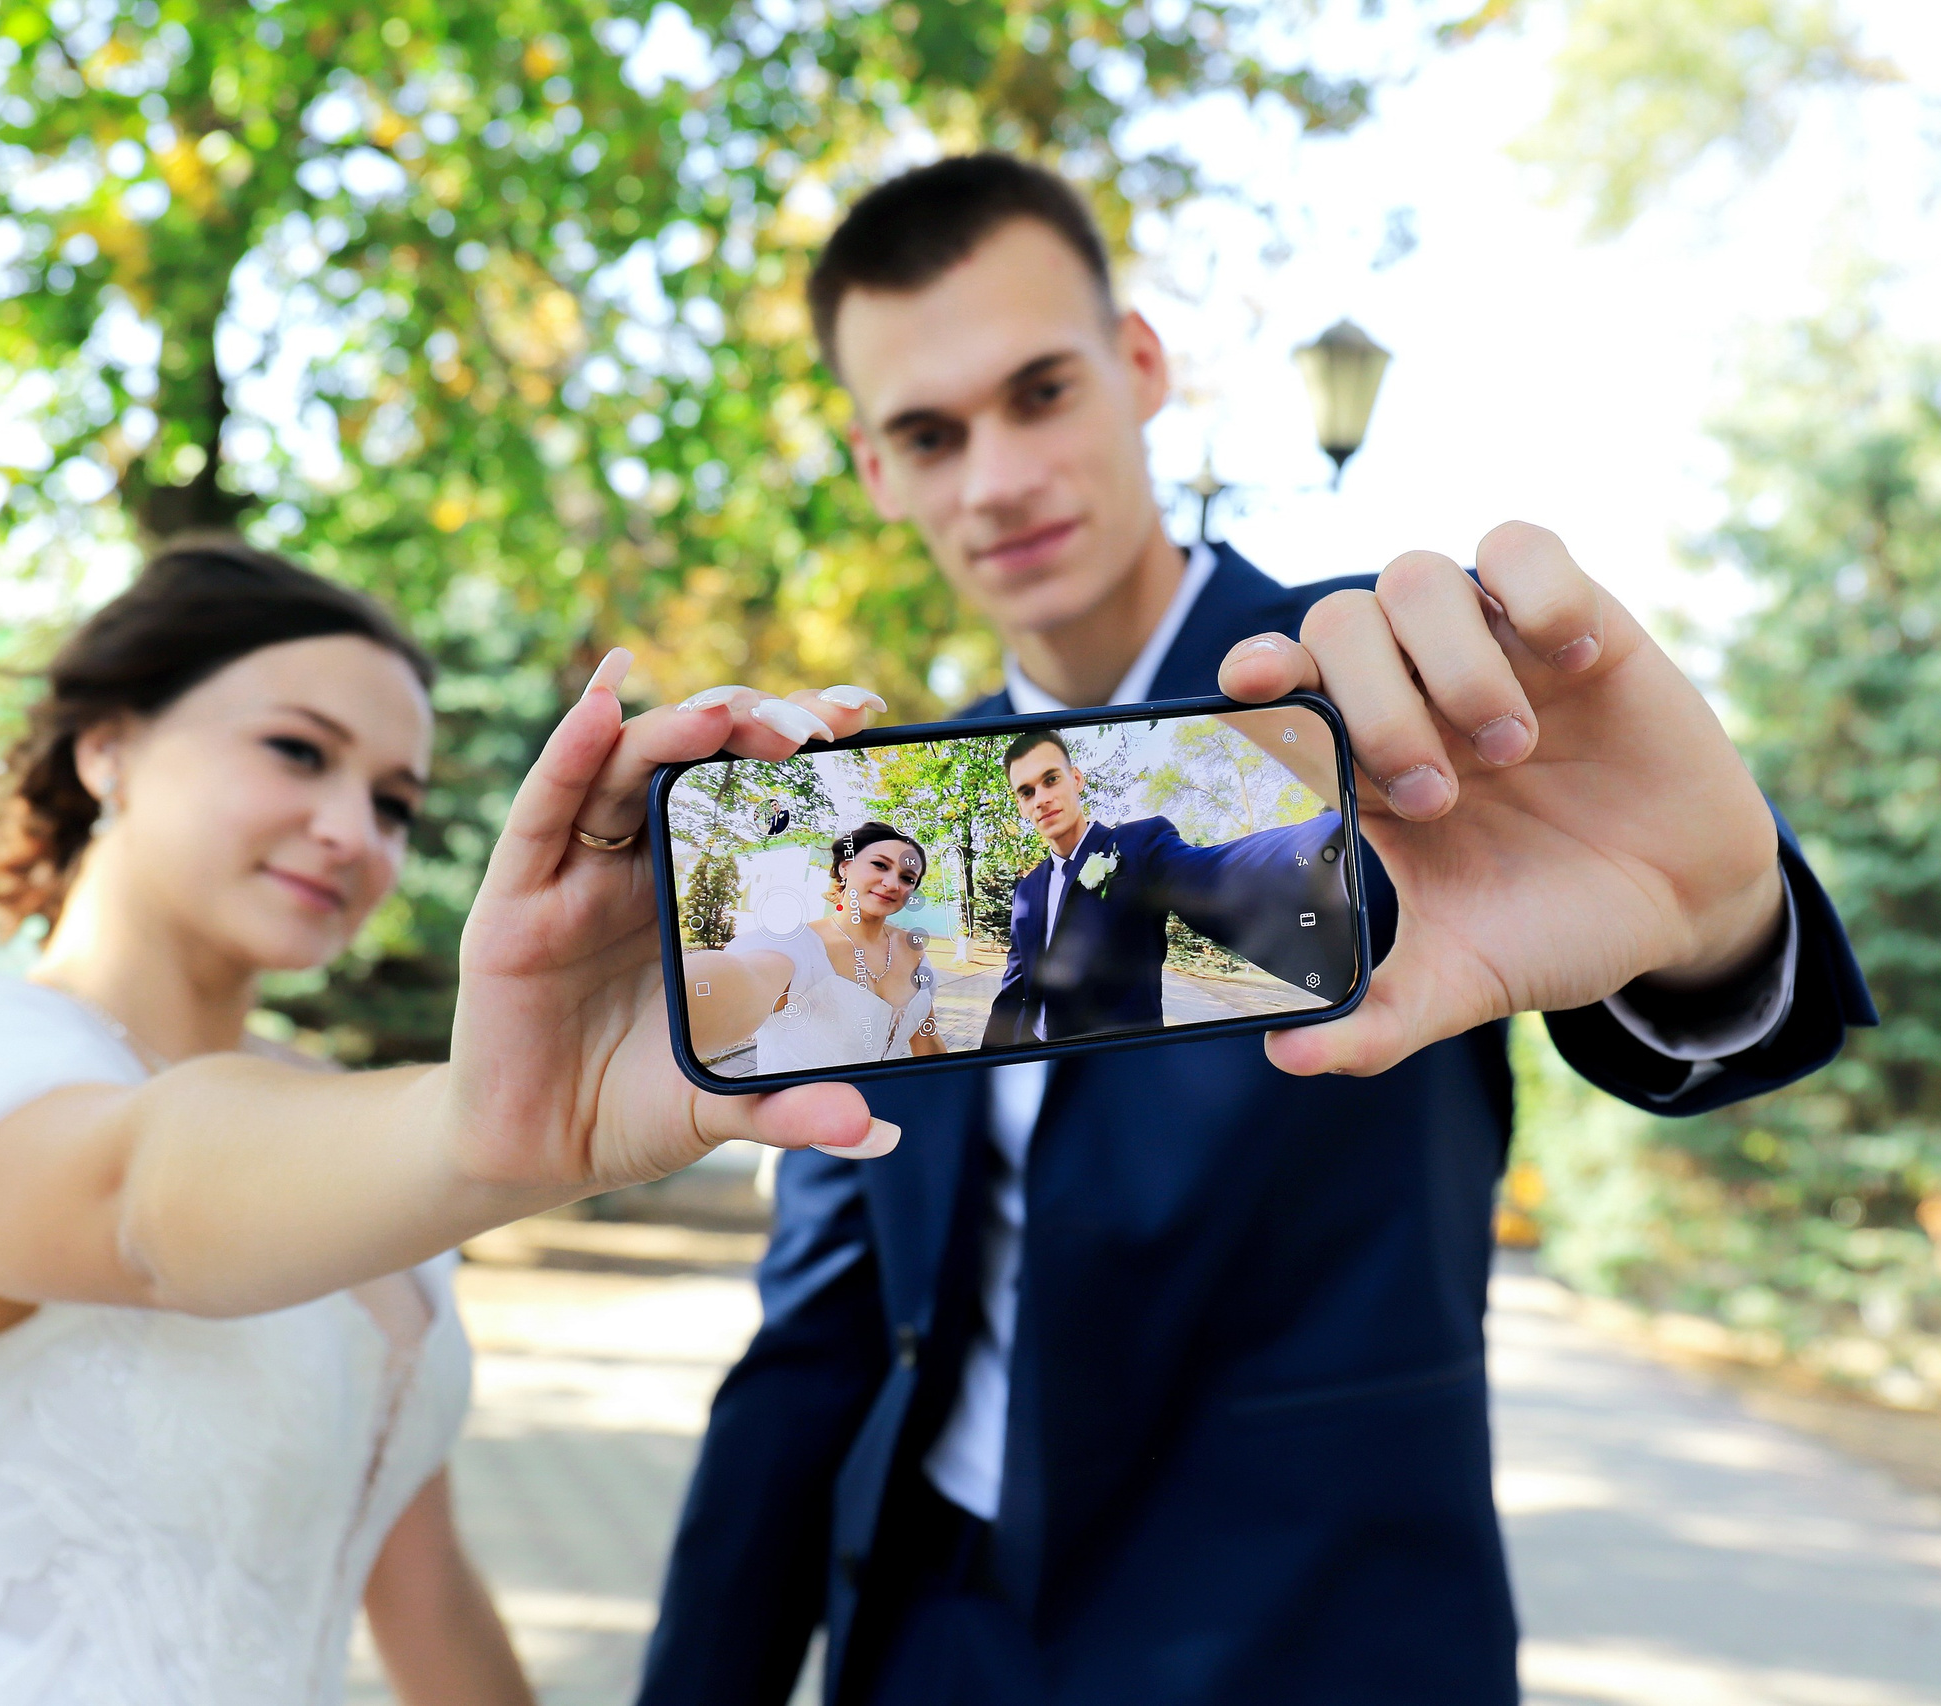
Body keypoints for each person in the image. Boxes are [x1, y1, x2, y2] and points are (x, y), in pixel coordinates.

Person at [638, 155, 1877, 1705]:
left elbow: (1679, 952)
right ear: (876, 471)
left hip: (1310, 1633)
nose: (998, 477)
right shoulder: (898, 832)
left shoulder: (1383, 700)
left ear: (1141, 368)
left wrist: (1716, 919)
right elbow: (824, 1330)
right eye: (929, 434)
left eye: (1040, 392)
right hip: (935, 1629)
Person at [0, 539, 898, 1705]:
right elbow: (143, 1198)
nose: (353, 830)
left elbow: (422, 1582)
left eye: (394, 802)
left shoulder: (337, 1113)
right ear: (107, 747)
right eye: (298, 750)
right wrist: (483, 1126)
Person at [981, 727, 1351, 1045]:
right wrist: (984, 1071)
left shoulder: (1139, 844)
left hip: (1123, 1071)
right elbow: (1015, 989)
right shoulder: (1027, 891)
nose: (1041, 799)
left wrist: (1330, 847)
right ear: (1020, 805)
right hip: (1040, 1068)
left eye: (1051, 779)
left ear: (1076, 779)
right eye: (1026, 792)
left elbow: (1212, 874)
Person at [687, 824, 949, 1074]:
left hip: (888, 1117)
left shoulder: (914, 950)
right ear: (845, 867)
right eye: (880, 865)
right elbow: (743, 981)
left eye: (907, 877)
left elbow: (927, 1040)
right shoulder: (794, 946)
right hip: (795, 1117)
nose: (893, 884)